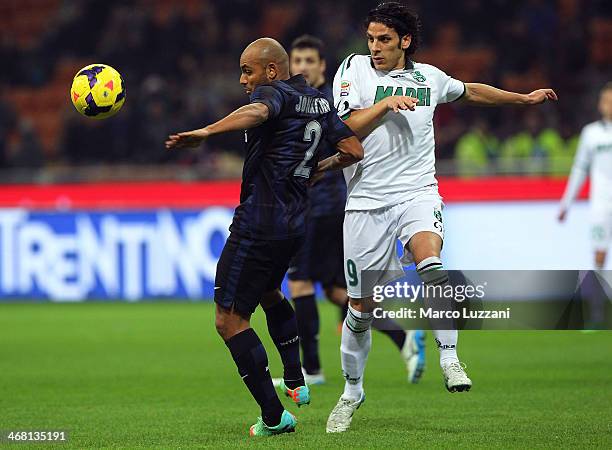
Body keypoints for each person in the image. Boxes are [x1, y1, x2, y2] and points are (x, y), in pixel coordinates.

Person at [321, 2, 557, 433]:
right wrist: (388, 102)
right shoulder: (352, 69)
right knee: (359, 309)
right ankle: (352, 392)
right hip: (365, 203)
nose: (375, 47)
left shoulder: (429, 78)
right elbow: (348, 127)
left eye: (384, 40)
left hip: (417, 192)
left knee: (432, 264)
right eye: (371, 39)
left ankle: (449, 356)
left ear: (405, 41)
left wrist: (521, 98)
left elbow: (471, 90)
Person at [165, 37, 363, 437]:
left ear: (271, 70)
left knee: (228, 319)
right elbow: (353, 149)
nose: (243, 79)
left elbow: (257, 111)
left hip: (258, 223)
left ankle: (274, 417)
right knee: (270, 293)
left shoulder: (271, 94)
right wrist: (317, 168)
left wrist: (207, 131)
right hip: (294, 225)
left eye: (247, 70)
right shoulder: (318, 101)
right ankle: (295, 377)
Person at [283, 34, 426, 387]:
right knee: (337, 292)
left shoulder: (329, 103)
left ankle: (311, 369)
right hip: (323, 205)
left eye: (308, 61)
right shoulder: (301, 100)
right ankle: (402, 337)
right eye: (296, 61)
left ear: (321, 67)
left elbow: (348, 146)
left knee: (300, 282)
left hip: (324, 204)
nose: (301, 67)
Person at [558, 82, 612, 329]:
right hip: (600, 204)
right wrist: (566, 203)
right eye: (605, 101)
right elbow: (580, 170)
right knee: (599, 257)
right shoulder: (591, 133)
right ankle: (597, 313)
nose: (607, 105)